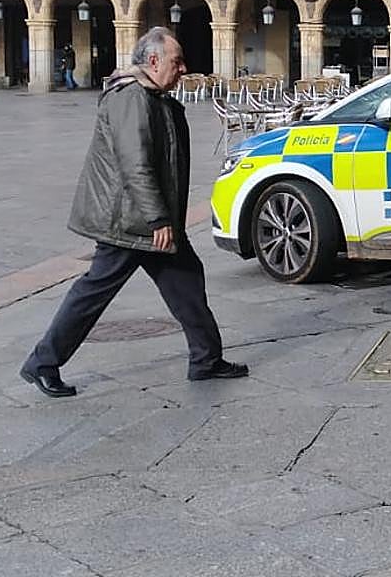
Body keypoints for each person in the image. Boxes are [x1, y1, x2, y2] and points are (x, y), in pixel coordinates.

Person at [20, 27, 248, 398]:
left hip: (149, 218)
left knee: (186, 281)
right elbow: (135, 163)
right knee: (93, 292)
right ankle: (42, 363)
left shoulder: (152, 96)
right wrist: (158, 218)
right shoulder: (131, 97)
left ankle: (206, 359)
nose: (183, 68)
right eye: (176, 62)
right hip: (130, 221)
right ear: (153, 60)